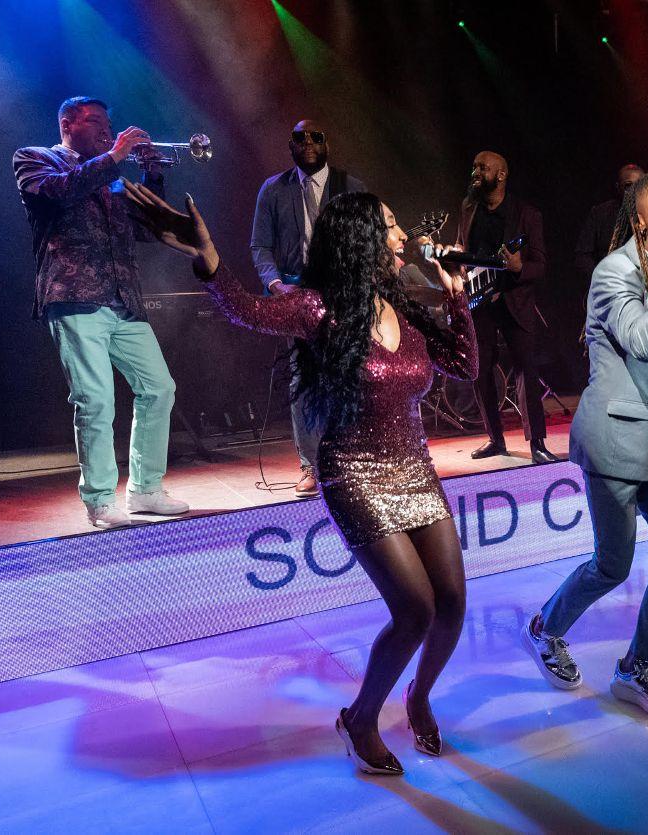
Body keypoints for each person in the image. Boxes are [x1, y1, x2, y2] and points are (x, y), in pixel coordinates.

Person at [124, 183, 477, 776]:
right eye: (390, 225)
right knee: (415, 609)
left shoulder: (410, 312)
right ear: (361, 239)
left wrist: (457, 297)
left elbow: (465, 365)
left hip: (415, 469)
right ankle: (360, 718)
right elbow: (246, 308)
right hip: (356, 472)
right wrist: (208, 256)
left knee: (454, 602)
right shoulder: (318, 308)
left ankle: (418, 697)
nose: (401, 235)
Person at [521, 171, 648, 719]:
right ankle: (546, 627)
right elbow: (640, 339)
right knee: (612, 565)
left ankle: (638, 666)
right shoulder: (613, 271)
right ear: (640, 219)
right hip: (614, 438)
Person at [13, 96, 188, 529]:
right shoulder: (35, 159)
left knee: (159, 389)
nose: (107, 131)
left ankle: (145, 489)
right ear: (67, 123)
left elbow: (148, 230)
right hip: (73, 295)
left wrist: (151, 174)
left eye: (108, 124)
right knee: (95, 399)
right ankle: (99, 500)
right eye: (95, 121)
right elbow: (59, 193)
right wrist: (115, 156)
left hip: (123, 299)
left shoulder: (112, 175)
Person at [250, 119, 366, 497]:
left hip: (343, 296)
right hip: (297, 296)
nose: (309, 143)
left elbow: (369, 241)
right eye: (300, 138)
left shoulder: (350, 187)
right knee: (303, 378)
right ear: (291, 145)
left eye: (316, 136)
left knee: (350, 375)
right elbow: (260, 246)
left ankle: (351, 458)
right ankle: (311, 465)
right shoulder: (274, 189)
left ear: (327, 142)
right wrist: (275, 285)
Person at [457, 151, 559, 464]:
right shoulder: (468, 208)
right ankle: (495, 439)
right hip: (480, 302)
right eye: (474, 167)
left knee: (526, 369)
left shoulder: (526, 214)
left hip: (515, 300)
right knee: (481, 371)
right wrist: (457, 260)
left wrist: (518, 267)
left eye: (482, 168)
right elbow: (463, 247)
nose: (475, 172)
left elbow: (541, 265)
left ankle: (537, 443)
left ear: (501, 175)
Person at [574, 164, 645, 286]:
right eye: (628, 185)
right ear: (618, 187)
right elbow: (582, 256)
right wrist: (602, 279)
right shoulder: (600, 214)